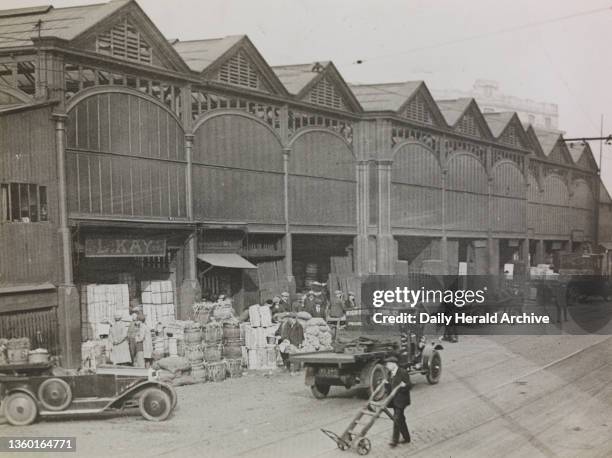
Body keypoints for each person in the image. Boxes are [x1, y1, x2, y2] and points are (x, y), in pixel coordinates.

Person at [384, 356, 412, 447]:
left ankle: (394, 441)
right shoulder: (390, 373)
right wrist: (386, 384)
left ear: (393, 364)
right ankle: (406, 437)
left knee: (396, 418)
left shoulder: (402, 372)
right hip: (394, 401)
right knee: (401, 419)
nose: (387, 366)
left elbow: (409, 386)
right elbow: (389, 388)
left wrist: (404, 386)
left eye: (388, 364)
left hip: (401, 400)